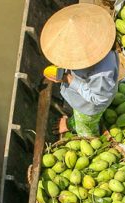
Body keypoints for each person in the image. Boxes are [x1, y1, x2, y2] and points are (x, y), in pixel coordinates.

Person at [39, 3, 118, 137]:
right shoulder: (103, 49)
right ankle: (72, 122)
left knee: (86, 127)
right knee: (79, 115)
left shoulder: (102, 73)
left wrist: (69, 79)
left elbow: (99, 99)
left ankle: (90, 136)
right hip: (81, 99)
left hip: (89, 107)